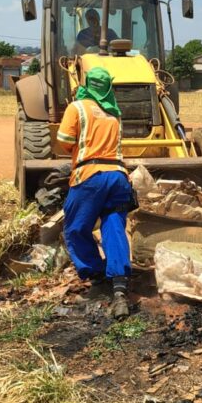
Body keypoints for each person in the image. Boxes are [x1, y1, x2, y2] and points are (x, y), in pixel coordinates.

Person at [56, 67, 134, 319]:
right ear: (109, 87)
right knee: (114, 228)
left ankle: (97, 278)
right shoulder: (115, 113)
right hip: (118, 177)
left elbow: (65, 141)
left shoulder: (77, 107)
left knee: (76, 229)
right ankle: (120, 290)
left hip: (90, 177)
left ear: (86, 84)